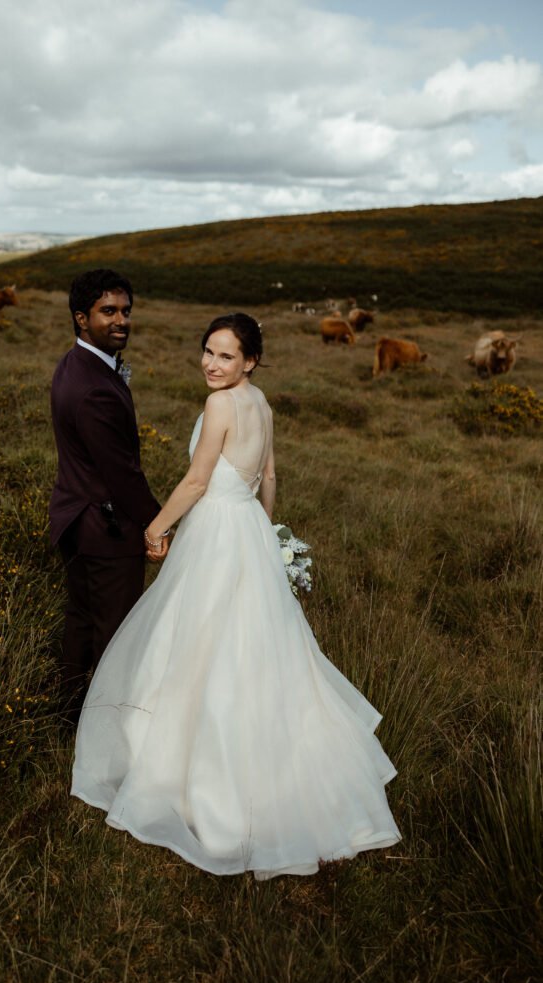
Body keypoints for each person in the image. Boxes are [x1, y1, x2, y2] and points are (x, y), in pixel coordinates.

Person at [71, 313, 401, 879]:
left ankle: (199, 784)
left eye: (226, 356)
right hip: (246, 528)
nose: (211, 364)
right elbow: (269, 476)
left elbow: (198, 482)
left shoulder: (221, 405)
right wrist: (264, 534)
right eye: (207, 352)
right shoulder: (262, 402)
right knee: (255, 654)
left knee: (198, 648)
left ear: (250, 360)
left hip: (216, 533)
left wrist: (156, 528)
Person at [49, 268, 167, 719]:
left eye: (126, 311)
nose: (121, 320)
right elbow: (122, 475)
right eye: (108, 311)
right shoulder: (94, 389)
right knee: (116, 634)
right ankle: (106, 725)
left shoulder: (73, 363)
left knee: (81, 620)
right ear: (82, 318)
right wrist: (158, 526)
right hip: (106, 527)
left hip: (75, 517)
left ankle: (69, 715)